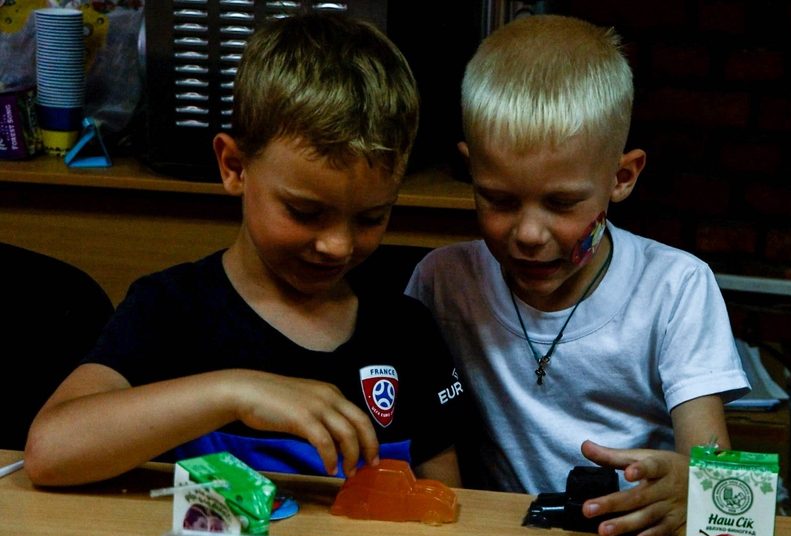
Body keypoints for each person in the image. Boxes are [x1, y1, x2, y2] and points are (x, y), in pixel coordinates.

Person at [25, 13, 466, 488]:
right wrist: (234, 391)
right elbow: (50, 451)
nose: (338, 245)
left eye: (371, 217)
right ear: (234, 167)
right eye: (304, 212)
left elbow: (448, 504)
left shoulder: (407, 332)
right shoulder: (169, 310)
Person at [404, 14, 749, 536]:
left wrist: (693, 482)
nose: (528, 234)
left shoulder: (676, 287)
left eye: (562, 203)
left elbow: (712, 465)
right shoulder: (443, 281)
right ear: (470, 171)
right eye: (498, 200)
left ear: (622, 177)